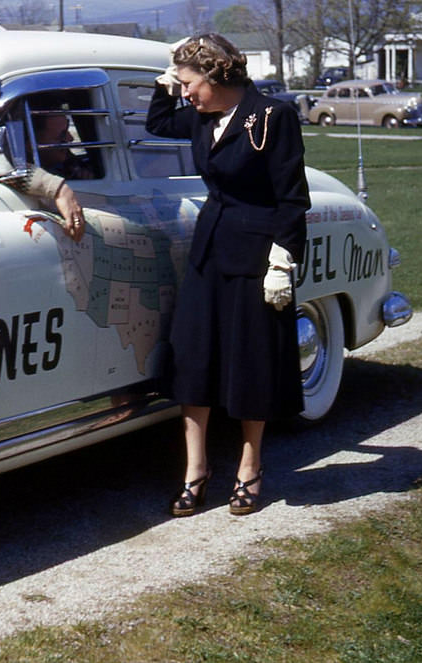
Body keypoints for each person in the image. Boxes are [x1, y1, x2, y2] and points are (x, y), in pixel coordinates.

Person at [146, 33, 311, 516]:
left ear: (217, 76)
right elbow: (158, 121)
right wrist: (168, 72)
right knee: (193, 360)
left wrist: (282, 261)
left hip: (257, 257)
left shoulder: (272, 117)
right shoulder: (201, 116)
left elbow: (291, 196)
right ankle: (196, 471)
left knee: (250, 365)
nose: (185, 93)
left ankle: (249, 468)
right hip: (209, 251)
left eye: (190, 82)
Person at [0, 104, 93, 241]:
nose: (70, 139)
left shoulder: (76, 165)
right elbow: (1, 167)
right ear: (30, 145)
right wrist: (58, 189)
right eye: (61, 135)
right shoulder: (6, 168)